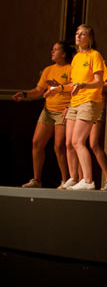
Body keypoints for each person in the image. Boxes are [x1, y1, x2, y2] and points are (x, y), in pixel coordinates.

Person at [14, 41, 74, 188]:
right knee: (37, 143)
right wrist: (25, 94)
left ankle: (65, 180)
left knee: (59, 146)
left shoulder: (71, 69)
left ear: (64, 53)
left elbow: (75, 90)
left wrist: (69, 106)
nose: (52, 52)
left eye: (55, 50)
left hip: (63, 111)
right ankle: (37, 180)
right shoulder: (48, 70)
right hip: (48, 111)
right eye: (52, 50)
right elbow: (39, 90)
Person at [65, 24, 107, 190]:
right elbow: (73, 84)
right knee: (70, 142)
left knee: (78, 141)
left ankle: (88, 181)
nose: (79, 36)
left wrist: (83, 85)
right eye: (77, 33)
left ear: (90, 38)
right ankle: (75, 178)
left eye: (83, 34)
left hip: (89, 101)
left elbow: (99, 82)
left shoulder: (95, 55)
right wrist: (60, 89)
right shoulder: (76, 58)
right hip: (74, 103)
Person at [90, 59, 107, 191]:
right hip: (80, 105)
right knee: (77, 143)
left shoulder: (100, 62)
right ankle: (83, 179)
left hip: (96, 106)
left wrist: (89, 85)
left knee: (94, 143)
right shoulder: (76, 63)